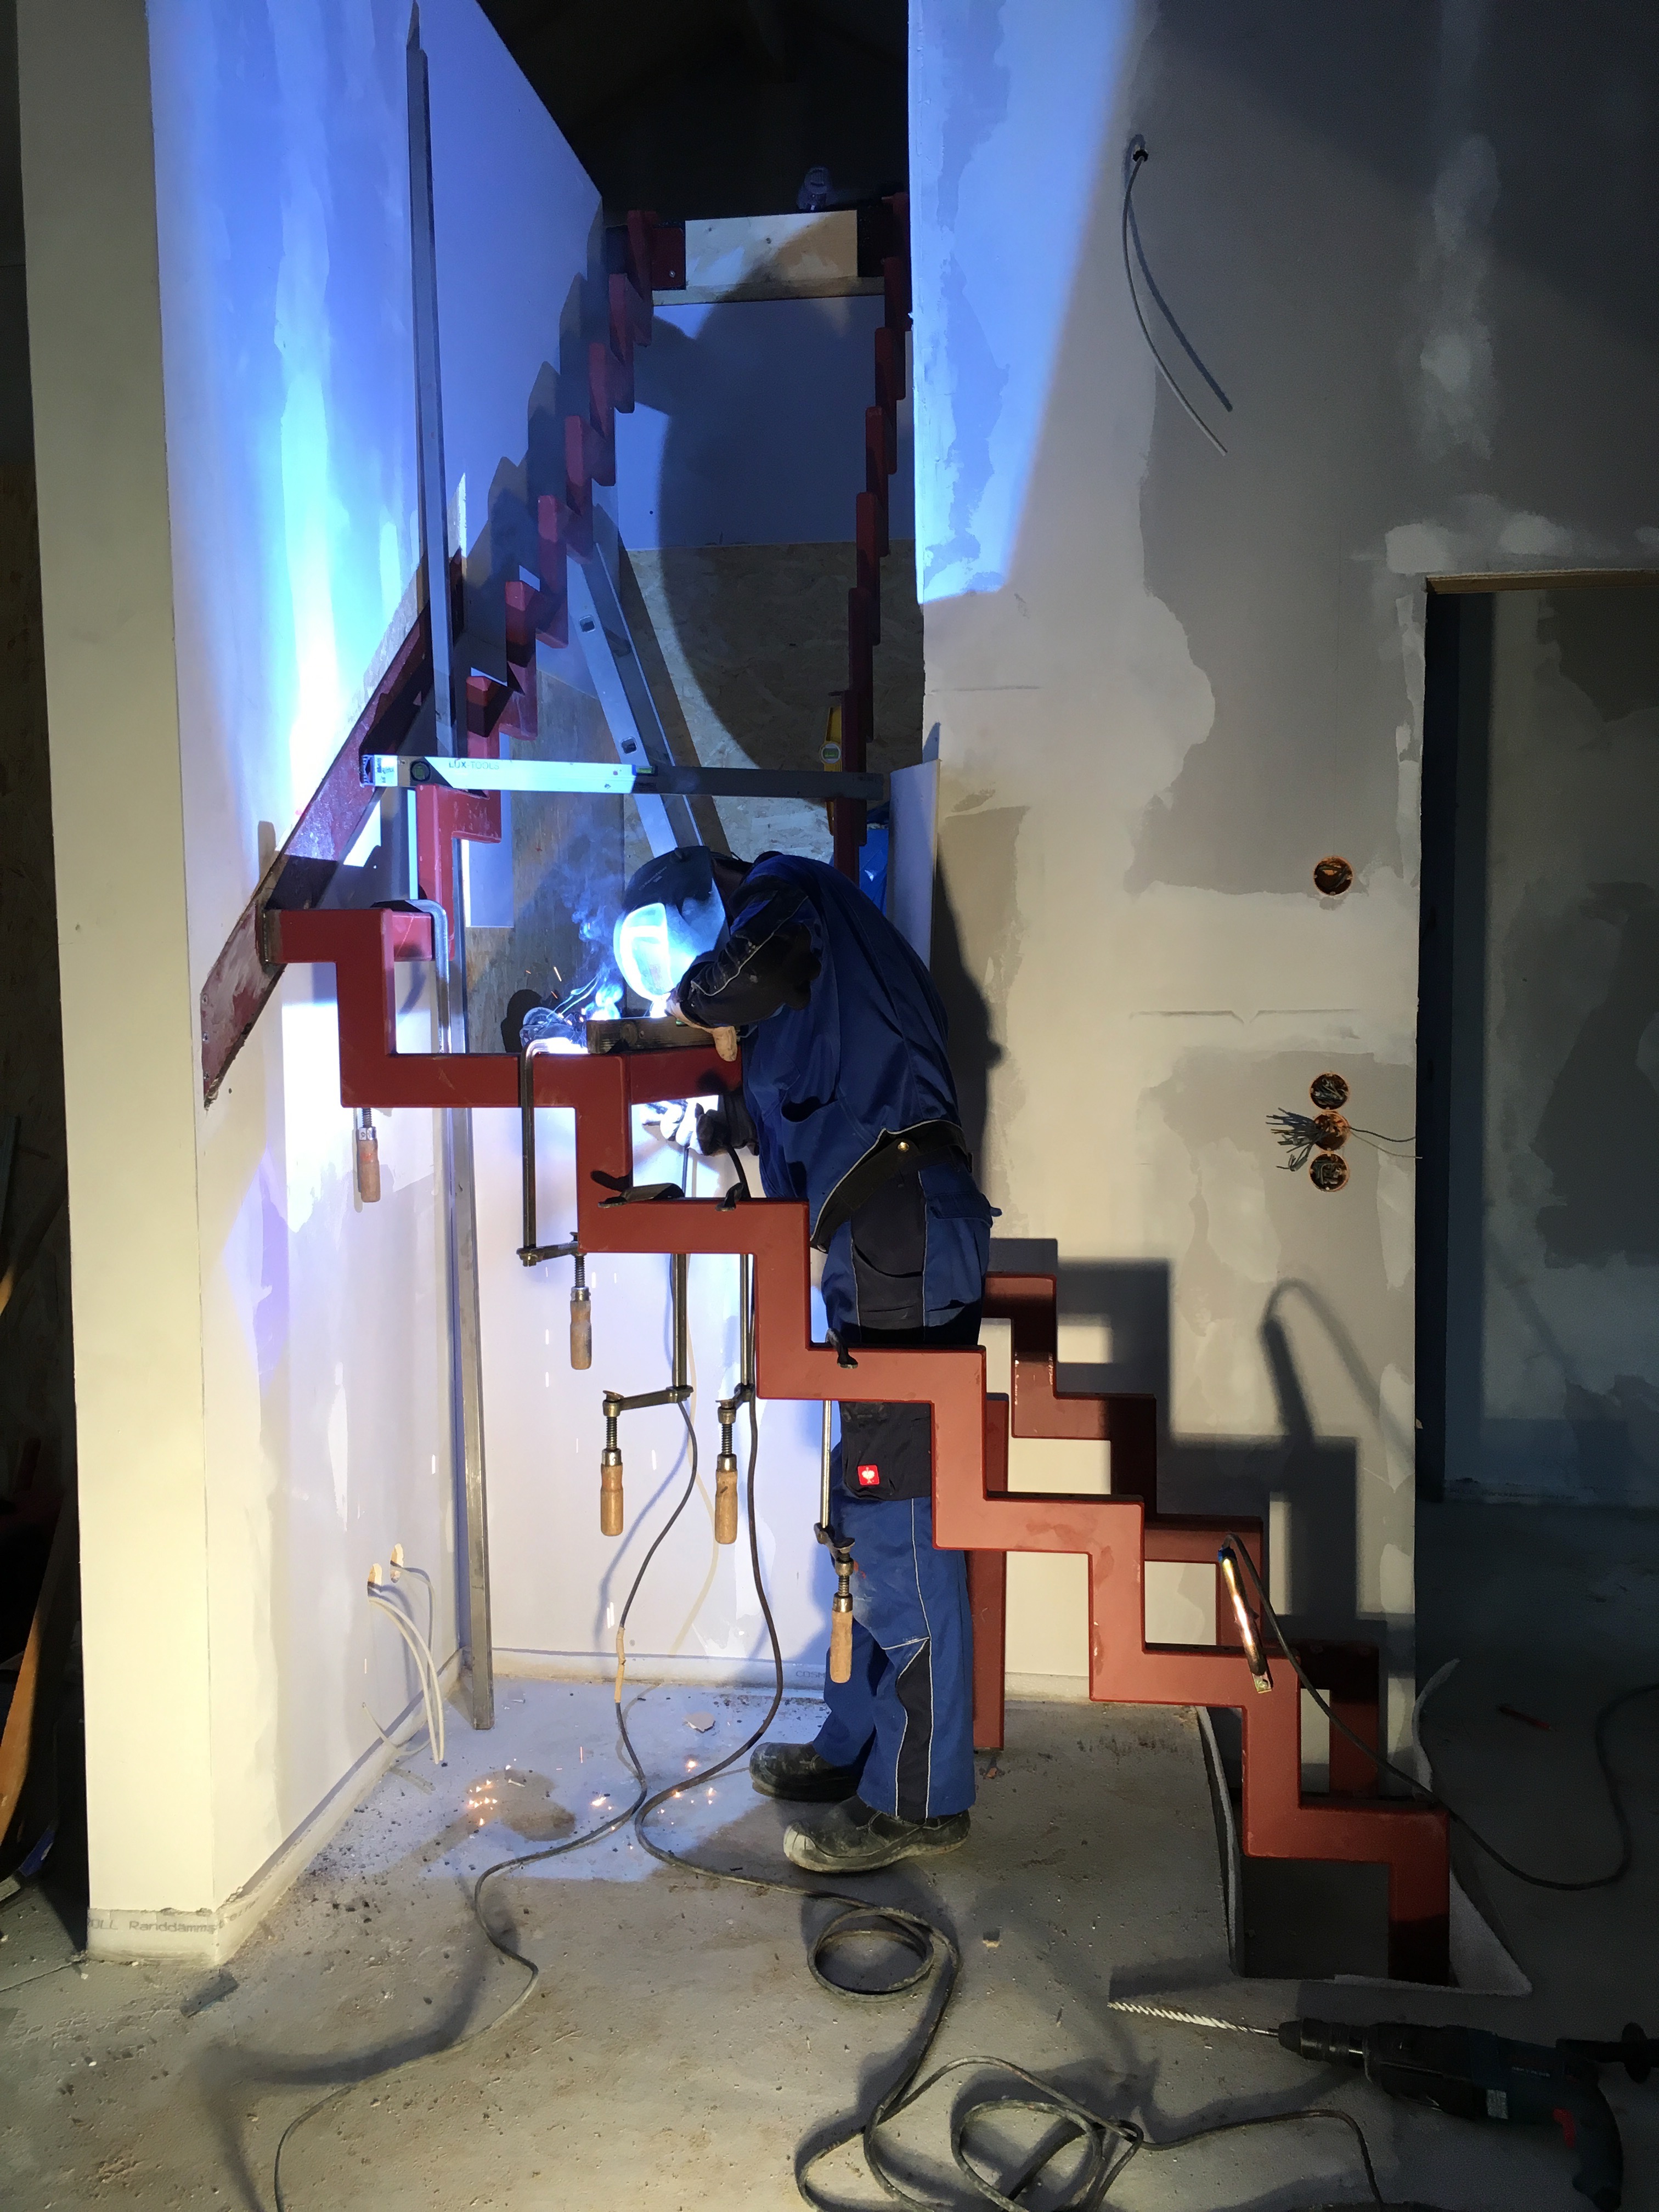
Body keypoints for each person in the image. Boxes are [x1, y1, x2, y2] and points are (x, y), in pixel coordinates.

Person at [610, 844, 995, 1873]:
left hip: (898, 1228)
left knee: (896, 1512)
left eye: (673, 943)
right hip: (890, 1227)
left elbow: (750, 967)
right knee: (863, 1497)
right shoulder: (827, 967)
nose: (678, 971)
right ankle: (855, 1742)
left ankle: (919, 1798)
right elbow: (801, 1089)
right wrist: (722, 1119)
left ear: (709, 898)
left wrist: (691, 1003)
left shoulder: (786, 894)